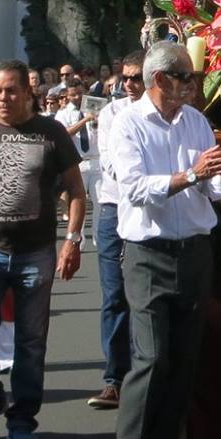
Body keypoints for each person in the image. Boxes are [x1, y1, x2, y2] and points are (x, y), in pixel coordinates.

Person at [103, 42, 221, 439]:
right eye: (185, 77)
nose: (191, 85)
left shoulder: (196, 122)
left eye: (192, 78)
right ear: (160, 79)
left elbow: (214, 192)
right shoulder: (126, 124)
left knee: (182, 360)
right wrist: (194, 175)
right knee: (151, 357)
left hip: (194, 250)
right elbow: (137, 190)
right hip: (148, 254)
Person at [0, 60, 87, 439]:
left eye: (11, 90)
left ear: (28, 93)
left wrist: (73, 240)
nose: (4, 98)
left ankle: (23, 417)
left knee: (31, 340)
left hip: (35, 254)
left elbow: (77, 191)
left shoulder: (51, 133)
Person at [89, 58, 146, 411]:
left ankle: (146, 373)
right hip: (114, 207)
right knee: (114, 295)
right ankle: (115, 378)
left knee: (147, 294)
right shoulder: (112, 114)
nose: (129, 84)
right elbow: (111, 163)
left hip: (148, 207)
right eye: (125, 78)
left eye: (136, 78)